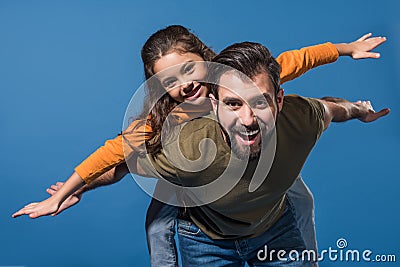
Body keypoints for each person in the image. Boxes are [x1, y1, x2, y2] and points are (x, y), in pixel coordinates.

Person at [12, 26, 386, 266]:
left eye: (190, 70)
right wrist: (73, 188)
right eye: (170, 80)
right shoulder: (166, 123)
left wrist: (346, 48)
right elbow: (114, 155)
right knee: (163, 221)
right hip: (195, 182)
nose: (185, 85)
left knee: (296, 195)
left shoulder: (237, 79)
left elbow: (296, 60)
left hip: (257, 177)